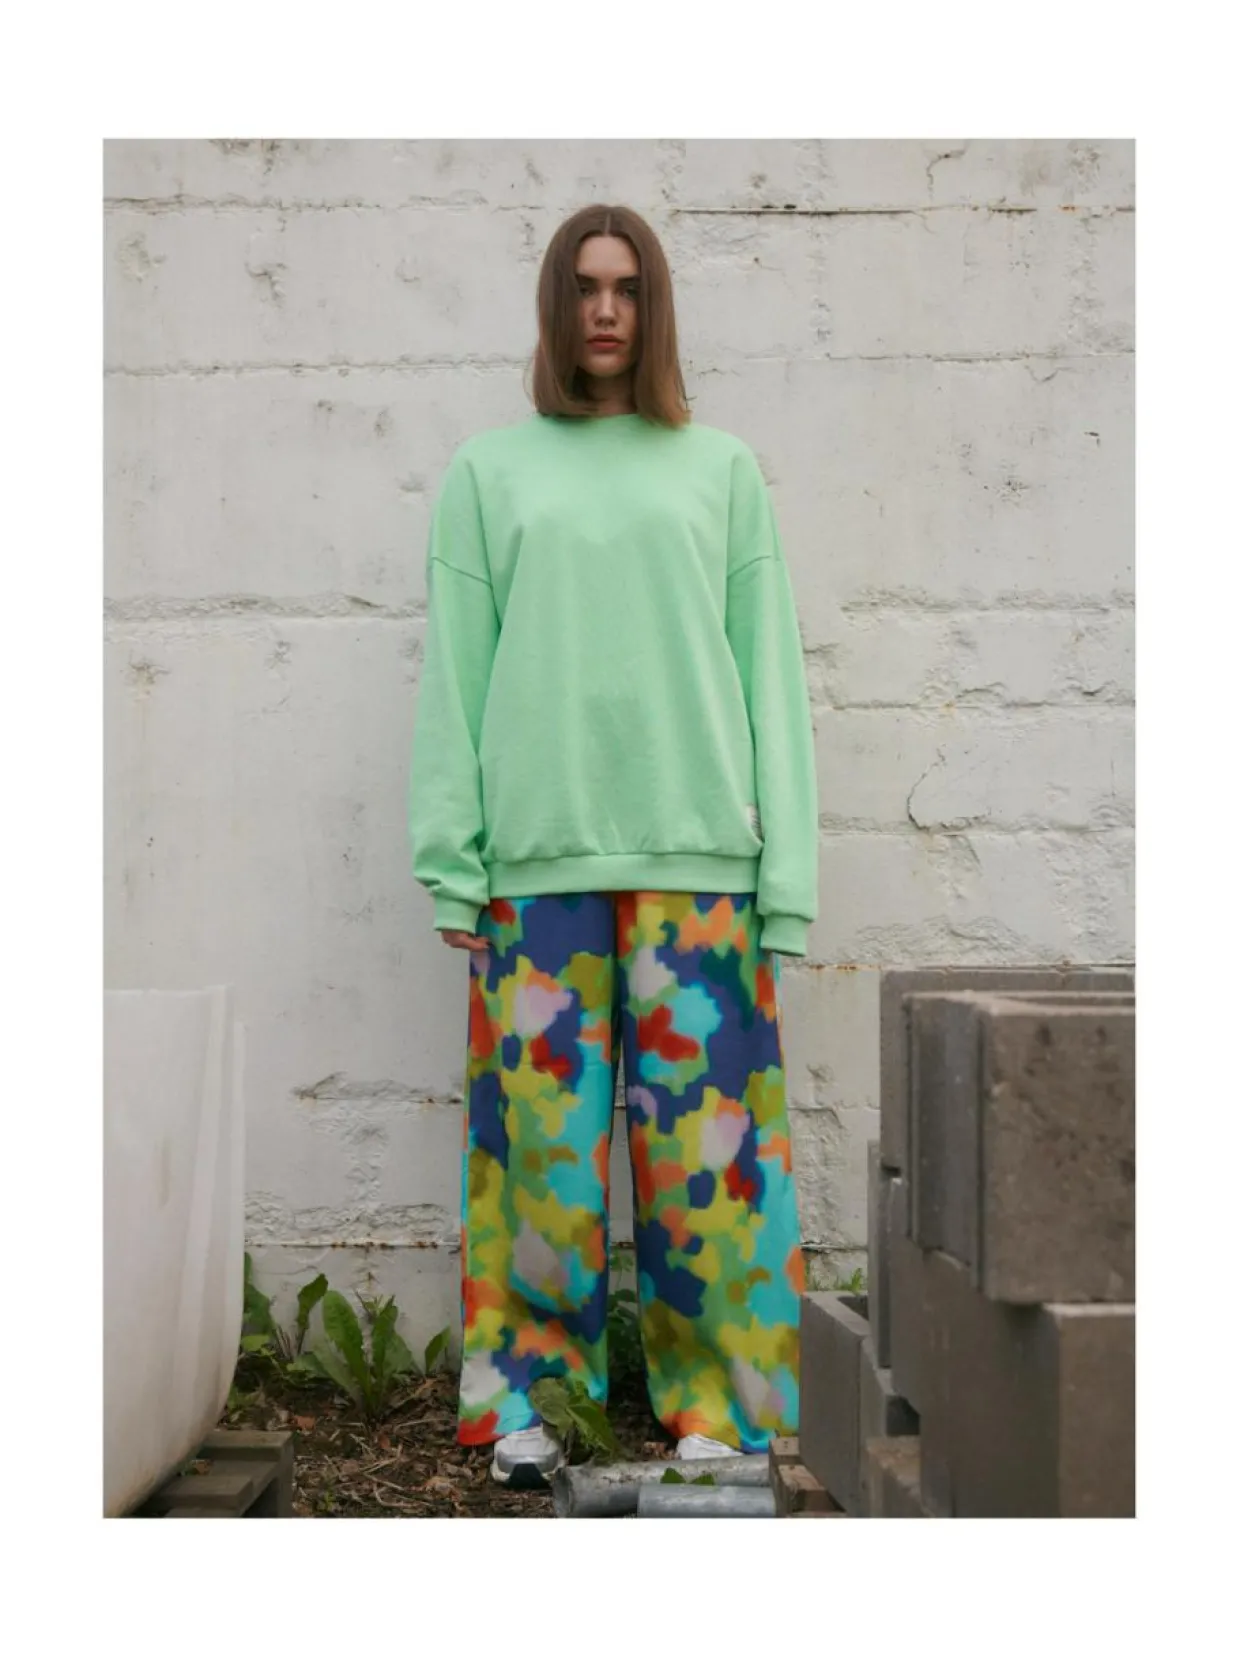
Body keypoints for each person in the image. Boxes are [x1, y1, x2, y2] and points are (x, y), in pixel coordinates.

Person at [408, 202, 818, 1490]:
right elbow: (456, 677)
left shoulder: (720, 470)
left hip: (702, 871)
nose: (604, 309)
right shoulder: (489, 474)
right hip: (537, 871)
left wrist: (787, 881)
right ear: (555, 304)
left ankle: (726, 1411)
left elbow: (770, 677)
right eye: (585, 286)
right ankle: (530, 1401)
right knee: (538, 1162)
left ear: (654, 309)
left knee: (713, 1171)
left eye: (627, 288)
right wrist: (453, 861)